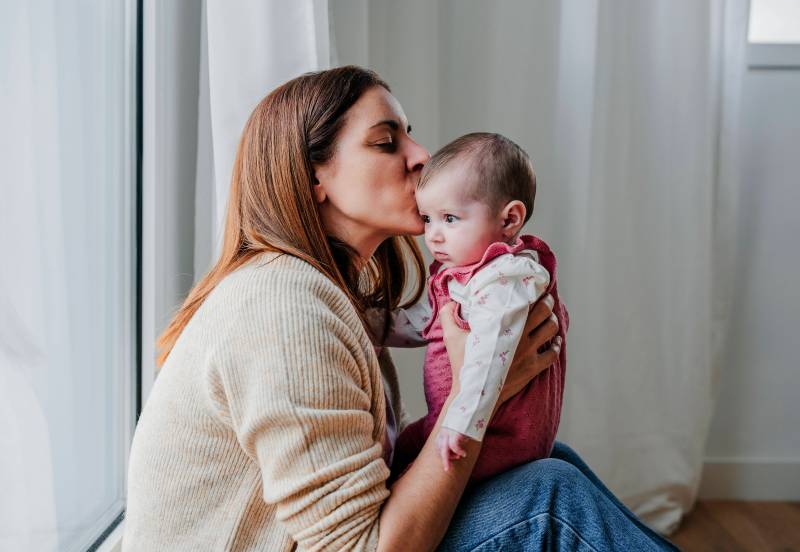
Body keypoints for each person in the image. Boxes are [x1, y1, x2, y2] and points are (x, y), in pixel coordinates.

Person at [123, 65, 678, 551]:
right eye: (387, 142)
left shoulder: (327, 294)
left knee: (550, 463)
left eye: (409, 136)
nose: (421, 156)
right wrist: (476, 394)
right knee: (548, 498)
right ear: (315, 175)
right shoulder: (283, 310)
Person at [367, 132, 568, 483]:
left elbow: (490, 355)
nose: (433, 235)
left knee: (409, 481)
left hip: (496, 436)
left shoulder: (507, 278)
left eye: (450, 218)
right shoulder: (464, 276)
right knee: (395, 459)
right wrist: (368, 323)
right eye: (427, 218)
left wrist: (459, 424)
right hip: (453, 419)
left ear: (509, 220)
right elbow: (429, 322)